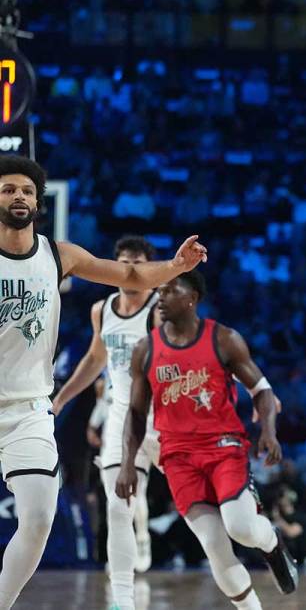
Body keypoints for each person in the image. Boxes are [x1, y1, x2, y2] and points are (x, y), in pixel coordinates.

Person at [0, 155, 206, 609]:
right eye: (9, 189)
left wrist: (174, 265)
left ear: (38, 202)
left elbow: (130, 275)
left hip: (28, 410)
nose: (19, 196)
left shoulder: (59, 255)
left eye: (27, 191)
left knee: (37, 520)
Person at [115, 271, 298, 609]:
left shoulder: (224, 339)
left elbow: (263, 390)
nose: (160, 297)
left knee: (241, 527)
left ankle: (273, 543)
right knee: (214, 544)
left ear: (191, 298)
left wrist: (269, 432)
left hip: (223, 447)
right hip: (177, 458)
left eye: (170, 290)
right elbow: (136, 415)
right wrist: (127, 464)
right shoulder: (145, 349)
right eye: (159, 290)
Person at [51, 235, 160, 610]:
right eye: (124, 263)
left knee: (202, 510)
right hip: (121, 414)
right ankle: (123, 599)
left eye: (138, 263)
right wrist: (61, 399)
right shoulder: (102, 309)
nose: (130, 270)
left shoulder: (163, 308)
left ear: (150, 268)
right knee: (118, 504)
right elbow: (95, 360)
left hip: (164, 416)